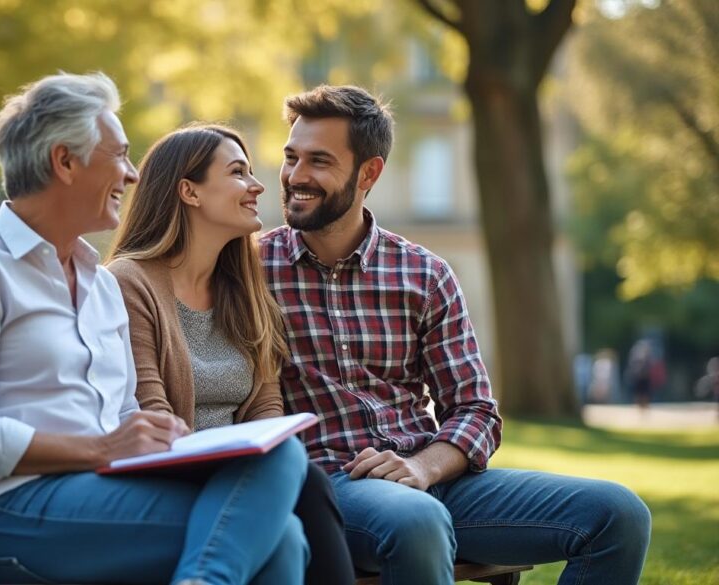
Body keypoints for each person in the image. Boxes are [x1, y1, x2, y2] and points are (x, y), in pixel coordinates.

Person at [0, 73, 310, 585]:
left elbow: (123, 415)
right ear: (64, 161)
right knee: (270, 538)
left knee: (282, 470)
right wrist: (100, 449)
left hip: (106, 492)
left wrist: (160, 440)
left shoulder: (97, 284)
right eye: (118, 155)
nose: (133, 174)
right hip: (10, 512)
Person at [258, 84, 653, 585]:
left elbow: (476, 410)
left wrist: (423, 468)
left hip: (434, 479)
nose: (295, 176)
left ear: (369, 172)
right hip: (332, 483)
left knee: (619, 515)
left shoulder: (424, 273)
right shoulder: (251, 270)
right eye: (291, 157)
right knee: (416, 522)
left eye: (318, 161)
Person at [106, 124, 356, 585]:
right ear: (189, 192)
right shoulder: (130, 283)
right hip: (170, 475)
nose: (258, 186)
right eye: (238, 172)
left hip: (247, 471)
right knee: (305, 489)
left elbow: (266, 407)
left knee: (302, 486)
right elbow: (151, 414)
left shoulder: (244, 288)